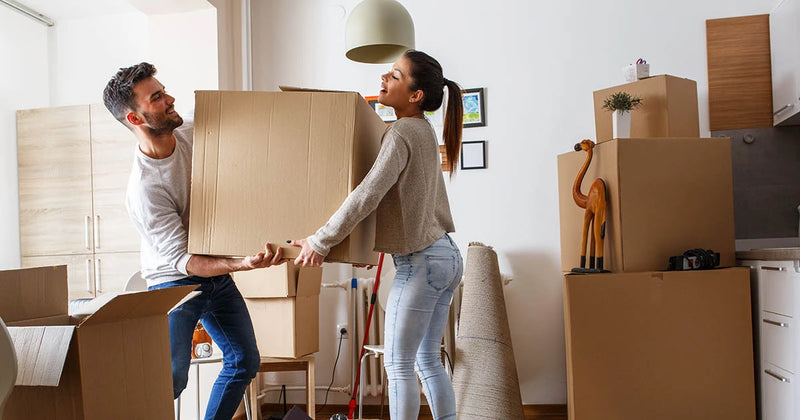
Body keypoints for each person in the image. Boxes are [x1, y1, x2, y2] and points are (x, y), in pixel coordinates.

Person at [290, 50, 464, 420]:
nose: (384, 79)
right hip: (446, 256)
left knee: (399, 365)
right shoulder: (422, 130)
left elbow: (369, 193)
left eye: (395, 76)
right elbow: (397, 203)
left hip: (422, 262)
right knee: (428, 360)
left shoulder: (402, 130)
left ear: (416, 95)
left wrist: (320, 241)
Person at [103, 62, 282, 420]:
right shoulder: (145, 190)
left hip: (214, 274)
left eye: (163, 90)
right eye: (156, 98)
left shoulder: (191, 127)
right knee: (170, 378)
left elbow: (243, 110)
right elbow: (186, 262)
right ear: (135, 119)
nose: (170, 99)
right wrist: (241, 263)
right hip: (175, 282)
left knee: (244, 361)